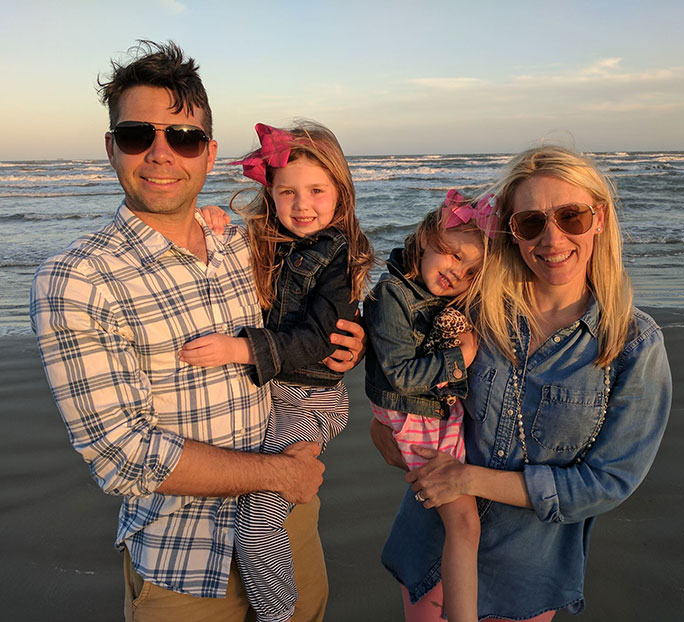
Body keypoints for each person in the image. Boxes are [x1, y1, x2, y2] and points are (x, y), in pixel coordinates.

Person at [29, 40, 364, 622]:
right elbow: (123, 456)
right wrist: (282, 471)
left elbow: (305, 320)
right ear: (112, 148)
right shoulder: (77, 280)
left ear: (208, 154)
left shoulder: (242, 244)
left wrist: (346, 343)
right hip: (183, 560)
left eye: (182, 137)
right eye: (138, 135)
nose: (161, 154)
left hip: (287, 522)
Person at [371, 146, 672, 621]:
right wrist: (379, 423)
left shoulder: (632, 344)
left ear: (599, 218)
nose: (552, 238)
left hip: (525, 571)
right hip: (433, 543)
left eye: (571, 216)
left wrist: (470, 479)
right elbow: (400, 363)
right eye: (531, 222)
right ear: (512, 232)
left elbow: (609, 481)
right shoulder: (472, 308)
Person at [181, 120, 374, 622]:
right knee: (251, 490)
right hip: (270, 399)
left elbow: (318, 341)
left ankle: (277, 611)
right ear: (270, 193)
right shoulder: (264, 240)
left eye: (316, 190)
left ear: (341, 193)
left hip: (312, 403)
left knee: (259, 507)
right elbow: (227, 272)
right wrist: (212, 224)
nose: (302, 205)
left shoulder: (340, 253)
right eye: (287, 192)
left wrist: (238, 350)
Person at [364, 190, 498, 622]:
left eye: (471, 270)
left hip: (432, 410)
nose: (457, 272)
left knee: (462, 516)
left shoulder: (441, 302)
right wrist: (461, 358)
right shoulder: (391, 295)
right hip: (412, 412)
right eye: (453, 255)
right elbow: (401, 375)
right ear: (425, 239)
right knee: (463, 522)